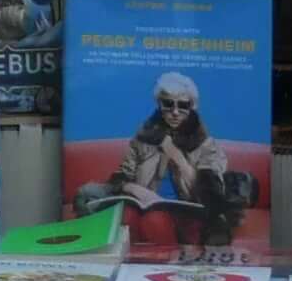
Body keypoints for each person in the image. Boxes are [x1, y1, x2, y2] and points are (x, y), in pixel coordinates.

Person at [100, 70, 252, 251]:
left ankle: (167, 262)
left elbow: (209, 191)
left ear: (192, 107)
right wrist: (133, 188)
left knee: (154, 220)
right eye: (168, 104)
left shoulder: (206, 145)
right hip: (148, 208)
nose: (175, 112)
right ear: (159, 104)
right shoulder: (142, 140)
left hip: (188, 215)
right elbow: (122, 176)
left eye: (183, 105)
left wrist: (175, 154)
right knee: (127, 215)